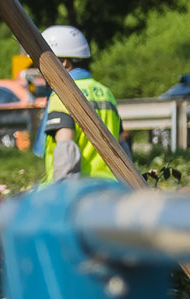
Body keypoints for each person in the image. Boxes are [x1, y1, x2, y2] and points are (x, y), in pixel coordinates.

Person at [39, 24, 129, 181]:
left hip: (81, 192)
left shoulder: (62, 94)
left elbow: (66, 150)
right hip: (111, 191)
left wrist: (63, 195)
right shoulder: (105, 92)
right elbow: (123, 145)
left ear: (63, 62)